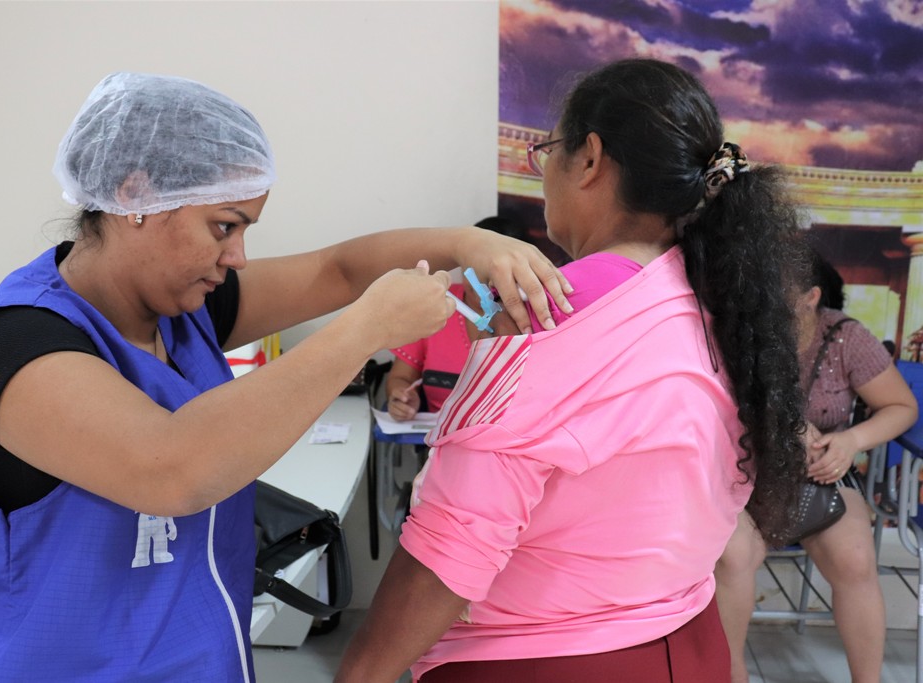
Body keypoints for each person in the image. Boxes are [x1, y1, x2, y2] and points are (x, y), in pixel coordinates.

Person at [0, 72, 572, 682]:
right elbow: (173, 467)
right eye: (223, 227)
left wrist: (470, 243)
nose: (237, 257)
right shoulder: (12, 347)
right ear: (133, 195)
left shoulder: (185, 312)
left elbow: (338, 271)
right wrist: (368, 327)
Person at [336, 57, 810, 683]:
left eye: (548, 152)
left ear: (588, 159)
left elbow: (455, 543)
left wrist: (361, 674)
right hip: (689, 638)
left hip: (544, 658)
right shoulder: (722, 302)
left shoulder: (556, 308)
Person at [713, 249, 918, 683]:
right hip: (745, 476)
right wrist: (783, 424)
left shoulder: (846, 338)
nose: (761, 297)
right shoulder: (737, 334)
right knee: (732, 558)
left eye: (774, 289)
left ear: (811, 296)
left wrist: (850, 440)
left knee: (855, 559)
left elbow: (901, 407)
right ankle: (731, 675)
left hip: (822, 475)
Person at [387, 216, 525, 421]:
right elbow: (401, 377)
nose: (487, 281)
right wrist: (403, 397)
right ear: (463, 266)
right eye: (479, 268)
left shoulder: (540, 316)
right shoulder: (435, 303)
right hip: (439, 440)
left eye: (500, 272)